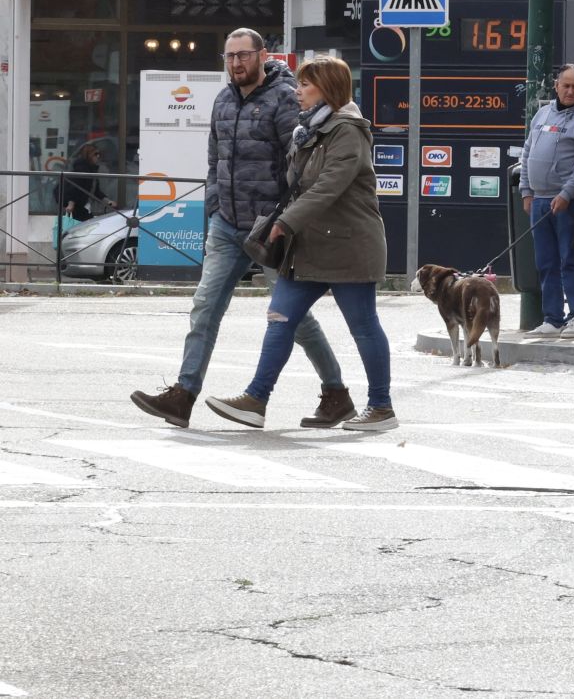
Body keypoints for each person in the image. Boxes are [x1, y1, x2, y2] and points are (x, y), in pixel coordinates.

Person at [130, 30, 353, 429]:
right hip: (227, 225)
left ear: (262, 55)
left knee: (293, 317)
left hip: (271, 228)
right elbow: (215, 158)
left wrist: (285, 218)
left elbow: (301, 164)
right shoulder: (222, 99)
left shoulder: (285, 97)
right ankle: (183, 396)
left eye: (244, 55)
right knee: (204, 308)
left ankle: (336, 393)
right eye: (230, 56)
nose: (236, 63)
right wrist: (215, 205)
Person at [205, 56, 395, 432]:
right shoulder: (307, 131)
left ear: (327, 88)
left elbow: (328, 186)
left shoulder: (347, 130)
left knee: (363, 326)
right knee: (279, 318)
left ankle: (381, 406)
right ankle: (256, 399)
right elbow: (297, 186)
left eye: (306, 85)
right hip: (308, 246)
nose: (297, 91)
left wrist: (286, 222)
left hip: (348, 245)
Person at [520, 65, 574, 339]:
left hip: (568, 202)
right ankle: (552, 318)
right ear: (556, 85)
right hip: (539, 199)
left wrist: (566, 195)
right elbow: (528, 151)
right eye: (566, 85)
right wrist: (526, 190)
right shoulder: (542, 114)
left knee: (570, 259)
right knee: (546, 262)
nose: (570, 91)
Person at [63, 143, 106, 223]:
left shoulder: (92, 170)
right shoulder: (81, 169)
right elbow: (74, 187)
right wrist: (71, 203)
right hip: (78, 206)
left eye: (99, 154)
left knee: (89, 225)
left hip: (84, 206)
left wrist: (107, 200)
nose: (98, 156)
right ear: (89, 155)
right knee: (86, 226)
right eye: (95, 154)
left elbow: (95, 190)